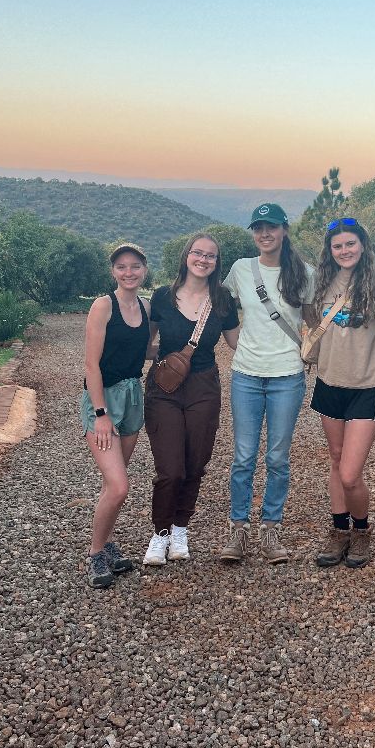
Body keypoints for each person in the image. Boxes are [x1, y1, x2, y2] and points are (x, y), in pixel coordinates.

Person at [219, 203, 315, 564]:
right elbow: (222, 305)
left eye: (271, 227)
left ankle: (271, 529)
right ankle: (238, 530)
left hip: (287, 375)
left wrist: (314, 351)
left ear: (284, 230)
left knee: (277, 457)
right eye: (258, 228)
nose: (264, 234)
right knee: (243, 457)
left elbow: (313, 319)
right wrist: (233, 340)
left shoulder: (304, 273)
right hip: (246, 373)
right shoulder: (241, 269)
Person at [143, 233, 239, 564]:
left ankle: (180, 527)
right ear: (186, 256)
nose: (203, 259)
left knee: (195, 464)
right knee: (170, 468)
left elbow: (239, 343)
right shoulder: (161, 297)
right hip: (164, 388)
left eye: (210, 255)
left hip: (204, 386)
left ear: (217, 262)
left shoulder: (223, 299)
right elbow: (145, 342)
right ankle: (160, 533)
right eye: (198, 253)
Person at [311, 218, 375, 569]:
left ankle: (361, 531)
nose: (345, 250)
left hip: (367, 384)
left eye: (350, 244)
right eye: (338, 246)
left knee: (350, 472)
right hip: (329, 380)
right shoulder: (321, 282)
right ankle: (339, 530)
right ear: (330, 251)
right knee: (335, 459)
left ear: (363, 245)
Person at [82, 243, 153, 589]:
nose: (129, 272)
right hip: (104, 400)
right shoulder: (103, 306)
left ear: (144, 269)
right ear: (113, 271)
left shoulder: (146, 306)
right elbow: (91, 364)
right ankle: (96, 554)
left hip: (133, 397)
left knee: (113, 483)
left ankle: (107, 543)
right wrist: (100, 414)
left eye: (135, 266)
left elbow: (145, 348)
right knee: (120, 486)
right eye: (122, 267)